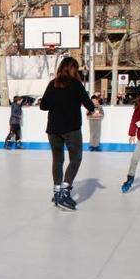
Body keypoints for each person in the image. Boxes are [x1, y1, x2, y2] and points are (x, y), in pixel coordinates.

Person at [39, 57, 95, 211]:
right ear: (73, 69)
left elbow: (43, 106)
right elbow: (88, 104)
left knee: (57, 161)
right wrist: (93, 109)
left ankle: (57, 191)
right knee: (76, 158)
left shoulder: (53, 84)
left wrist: (56, 102)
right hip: (71, 129)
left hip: (53, 130)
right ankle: (65, 189)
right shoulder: (76, 84)